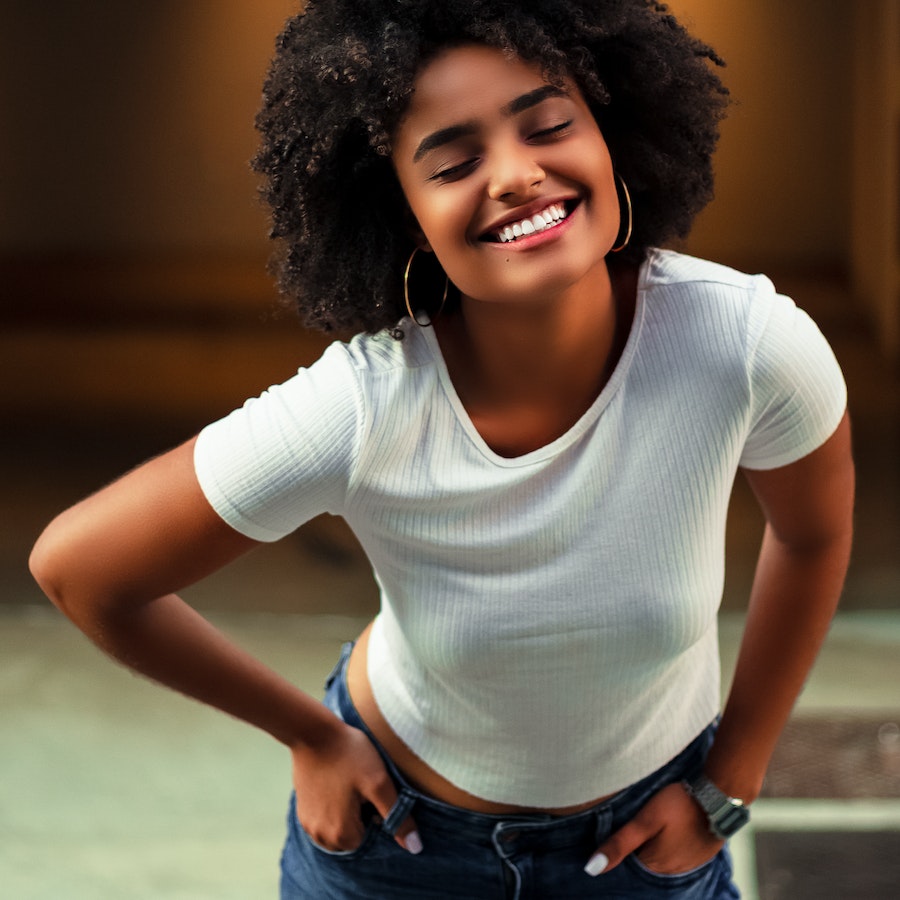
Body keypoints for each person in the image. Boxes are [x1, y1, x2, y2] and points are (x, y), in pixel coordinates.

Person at [30, 1, 854, 897]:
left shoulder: (744, 347)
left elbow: (812, 536)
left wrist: (731, 779)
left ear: (614, 137)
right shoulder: (365, 405)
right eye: (455, 162)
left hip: (650, 842)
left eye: (549, 126)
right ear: (406, 216)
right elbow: (84, 570)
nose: (515, 176)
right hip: (402, 846)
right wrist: (309, 734)